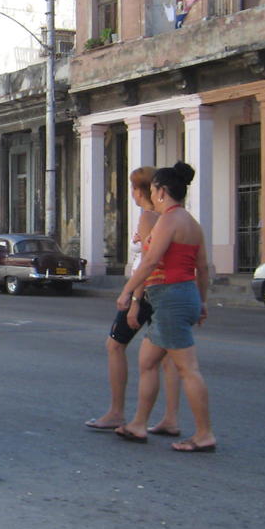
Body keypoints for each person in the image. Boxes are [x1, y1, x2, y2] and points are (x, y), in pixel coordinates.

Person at [114, 162, 216, 452]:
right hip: (179, 297)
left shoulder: (169, 220)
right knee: (147, 361)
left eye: (154, 189)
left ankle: (204, 434)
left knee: (188, 368)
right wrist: (202, 301)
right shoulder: (191, 223)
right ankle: (138, 424)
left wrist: (127, 291)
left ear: (160, 191)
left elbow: (149, 262)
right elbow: (203, 268)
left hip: (171, 298)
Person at [85, 167, 180, 434]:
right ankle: (170, 417)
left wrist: (134, 297)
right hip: (163, 288)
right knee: (170, 355)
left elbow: (148, 261)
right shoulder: (167, 217)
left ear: (140, 190)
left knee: (115, 345)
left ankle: (117, 411)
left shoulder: (147, 217)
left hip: (146, 289)